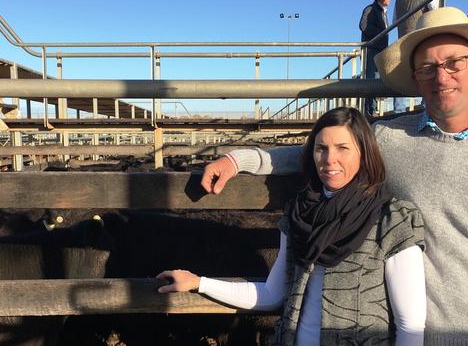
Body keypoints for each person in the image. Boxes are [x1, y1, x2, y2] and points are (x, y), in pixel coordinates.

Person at [200, 7, 468, 346]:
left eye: (454, 62)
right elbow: (325, 152)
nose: (441, 77)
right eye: (427, 67)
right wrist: (238, 159)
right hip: (403, 332)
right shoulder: (391, 139)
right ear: (415, 77)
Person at [158, 107, 427, 346]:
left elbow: (410, 325)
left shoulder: (392, 219)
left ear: (364, 153)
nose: (330, 159)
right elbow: (272, 294)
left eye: (343, 148)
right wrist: (198, 283)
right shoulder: (300, 215)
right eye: (321, 148)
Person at [392, 0, 439, 113]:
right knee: (427, 73)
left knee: (403, 76)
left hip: (403, 43)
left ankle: (398, 111)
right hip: (422, 40)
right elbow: (437, 13)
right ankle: (426, 108)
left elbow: (394, 21)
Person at [359, 0, 398, 116]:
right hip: (372, 49)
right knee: (371, 78)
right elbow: (363, 26)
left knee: (377, 77)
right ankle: (370, 110)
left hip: (380, 49)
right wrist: (380, 34)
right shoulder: (370, 9)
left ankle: (373, 108)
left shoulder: (382, 11)